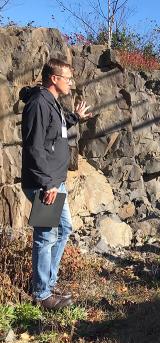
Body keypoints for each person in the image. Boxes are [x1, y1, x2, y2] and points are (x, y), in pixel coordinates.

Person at [21, 58, 92, 309]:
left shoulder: (52, 103)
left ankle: (47, 284)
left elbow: (55, 132)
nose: (71, 83)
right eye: (68, 79)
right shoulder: (39, 103)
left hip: (53, 181)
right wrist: (46, 183)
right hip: (45, 183)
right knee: (45, 234)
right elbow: (34, 147)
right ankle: (41, 294)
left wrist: (75, 118)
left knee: (63, 229)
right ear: (54, 79)